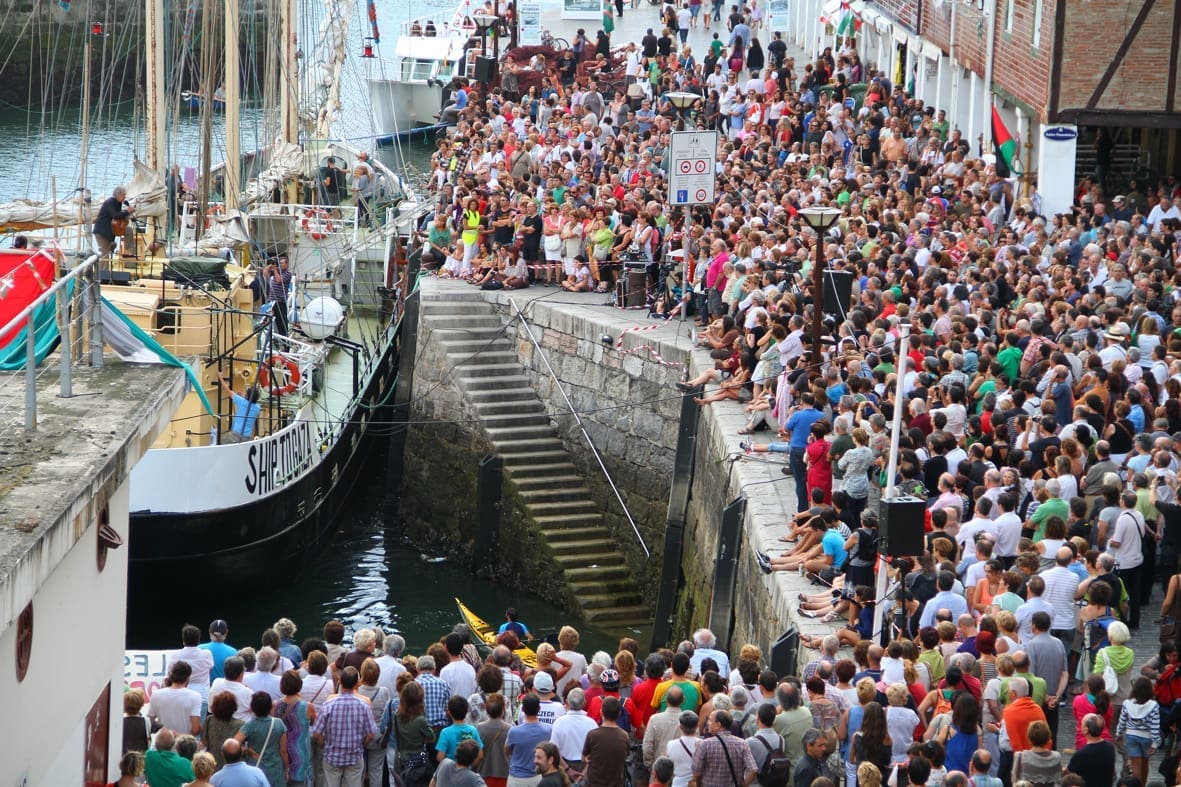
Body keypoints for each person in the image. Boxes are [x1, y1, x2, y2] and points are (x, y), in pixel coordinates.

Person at [312, 666, 380, 786]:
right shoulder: (364, 706)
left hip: (332, 756)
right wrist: (362, 744)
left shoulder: (328, 705)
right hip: (354, 757)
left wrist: (325, 744)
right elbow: (371, 733)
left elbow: (316, 733)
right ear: (357, 684)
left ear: (340, 681)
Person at [235, 691, 289, 787]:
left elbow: (234, 743)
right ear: (270, 706)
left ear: (253, 707)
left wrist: (247, 750)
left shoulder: (249, 725)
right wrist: (286, 769)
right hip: (275, 769)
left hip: (255, 768)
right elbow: (283, 751)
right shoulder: (279, 723)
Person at [691, 710, 757, 787]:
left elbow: (696, 773)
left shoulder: (704, 744)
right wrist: (744, 785)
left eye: (710, 720)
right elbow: (753, 770)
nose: (708, 723)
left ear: (718, 725)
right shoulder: (742, 743)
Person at [151, 661, 203, 737]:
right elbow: (195, 730)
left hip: (162, 742)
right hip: (184, 744)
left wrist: (167, 732)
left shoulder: (156, 694)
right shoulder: (195, 696)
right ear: (188, 677)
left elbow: (150, 722)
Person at [1066, 714, 1116, 787]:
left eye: (1081, 725)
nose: (1078, 727)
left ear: (1086, 730)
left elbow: (1069, 772)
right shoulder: (1110, 747)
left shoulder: (1081, 754)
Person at [216, 374, 262, 443]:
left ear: (247, 396)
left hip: (236, 434)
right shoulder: (257, 407)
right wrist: (243, 396)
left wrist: (221, 378)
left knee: (222, 443)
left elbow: (228, 391)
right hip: (247, 437)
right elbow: (250, 402)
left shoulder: (241, 401)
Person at [94, 185, 134, 257]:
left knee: (128, 230)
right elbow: (115, 215)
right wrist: (127, 211)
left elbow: (119, 217)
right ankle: (103, 268)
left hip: (111, 230)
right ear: (118, 194)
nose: (125, 197)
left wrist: (128, 214)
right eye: (123, 195)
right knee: (105, 255)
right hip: (102, 232)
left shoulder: (118, 203)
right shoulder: (110, 202)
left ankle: (128, 251)